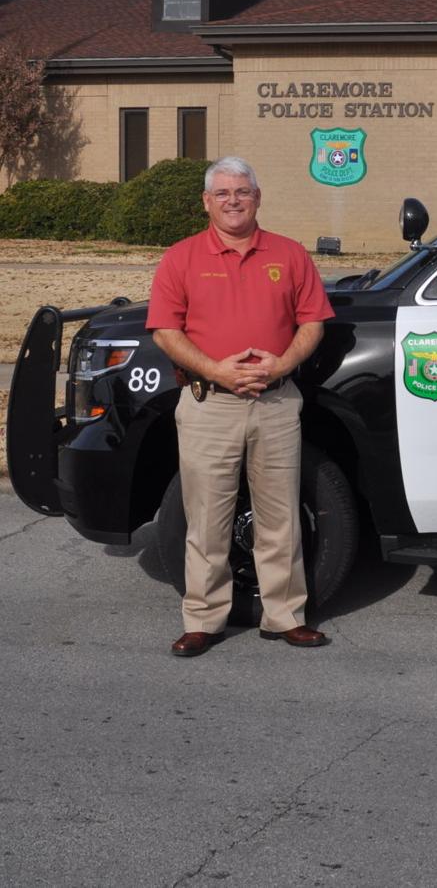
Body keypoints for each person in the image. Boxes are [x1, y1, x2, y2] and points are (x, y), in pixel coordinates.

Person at [146, 156, 335, 657]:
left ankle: (285, 616)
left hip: (276, 403)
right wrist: (216, 370)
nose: (234, 201)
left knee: (280, 518)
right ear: (206, 202)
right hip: (210, 405)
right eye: (223, 193)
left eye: (242, 192)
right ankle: (203, 619)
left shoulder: (290, 254)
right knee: (207, 519)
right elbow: (165, 330)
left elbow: (313, 322)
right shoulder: (181, 258)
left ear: (257, 197)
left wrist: (282, 364)